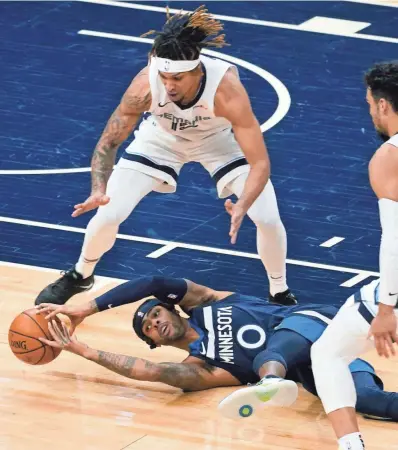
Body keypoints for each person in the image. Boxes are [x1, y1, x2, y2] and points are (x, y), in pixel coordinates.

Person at [34, 6, 296, 308]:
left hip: (218, 141)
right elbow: (108, 143)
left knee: (266, 217)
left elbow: (260, 163)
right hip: (160, 139)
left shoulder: (226, 90)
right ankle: (81, 274)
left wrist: (243, 205)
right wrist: (97, 188)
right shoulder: (144, 87)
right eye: (165, 76)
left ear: (197, 71)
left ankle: (279, 291)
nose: (169, 85)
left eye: (178, 79)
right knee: (108, 213)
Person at [36, 275, 398, 423]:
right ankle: (273, 380)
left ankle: (269, 382)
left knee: (270, 355)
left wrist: (87, 307)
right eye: (148, 328)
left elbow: (153, 281)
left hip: (313, 320)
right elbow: (155, 372)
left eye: (157, 312)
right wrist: (82, 350)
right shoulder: (204, 367)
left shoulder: (207, 303)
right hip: (318, 365)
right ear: (153, 342)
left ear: (172, 307)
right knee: (365, 401)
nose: (155, 322)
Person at [310, 61, 398, 450]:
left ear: (382, 106)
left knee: (327, 353)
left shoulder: (388, 158)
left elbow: (395, 237)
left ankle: (352, 446)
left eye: (368, 104)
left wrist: (386, 308)